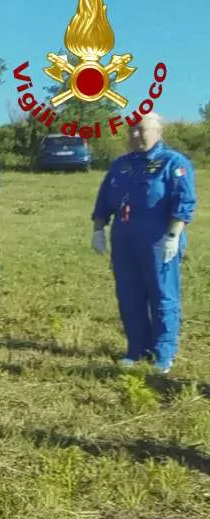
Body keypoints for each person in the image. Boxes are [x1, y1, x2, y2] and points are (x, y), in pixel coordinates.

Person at [91, 113, 196, 373]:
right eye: (132, 131)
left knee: (162, 295)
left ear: (158, 131)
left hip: (158, 239)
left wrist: (173, 235)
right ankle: (137, 349)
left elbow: (184, 201)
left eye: (141, 130)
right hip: (125, 240)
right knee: (129, 295)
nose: (135, 135)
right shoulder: (121, 165)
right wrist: (98, 229)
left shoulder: (173, 163)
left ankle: (164, 352)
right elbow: (105, 198)